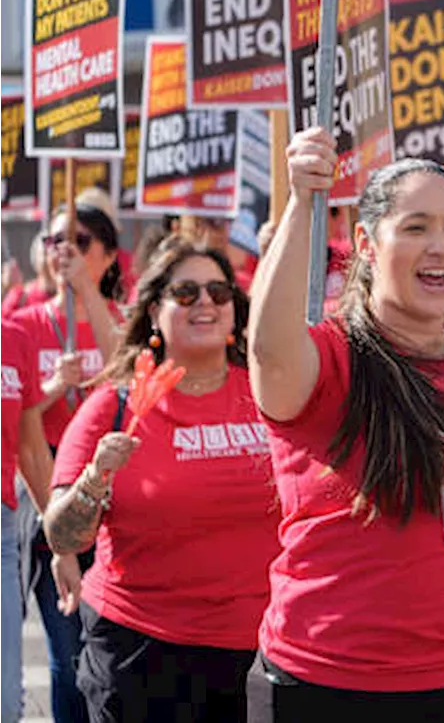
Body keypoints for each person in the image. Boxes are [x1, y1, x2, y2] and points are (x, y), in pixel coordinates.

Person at [246, 129, 444, 721]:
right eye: (416, 227)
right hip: (336, 688)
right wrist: (301, 202)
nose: (440, 246)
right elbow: (268, 350)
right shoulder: (329, 363)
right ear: (365, 242)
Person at [41, 239, 279, 722]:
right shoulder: (116, 406)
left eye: (218, 291)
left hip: (259, 651)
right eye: (187, 293)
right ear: (154, 311)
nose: (207, 303)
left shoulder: (271, 394)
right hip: (142, 656)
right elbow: (61, 532)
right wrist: (96, 478)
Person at [11, 204, 123, 723]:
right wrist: (52, 388)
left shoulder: (122, 318)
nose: (64, 251)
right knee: (67, 651)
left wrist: (90, 298)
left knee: (108, 654)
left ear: (105, 254)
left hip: (113, 494)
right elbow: (17, 421)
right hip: (46, 488)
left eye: (78, 240)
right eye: (55, 240)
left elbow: (130, 381)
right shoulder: (24, 325)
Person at [0, 320, 55, 723]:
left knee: (5, 703)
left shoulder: (14, 338)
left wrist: (62, 538)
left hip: (2, 532)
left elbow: (32, 449)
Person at [0, 234, 56, 317]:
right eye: (44, 253)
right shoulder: (20, 297)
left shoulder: (75, 300)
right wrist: (6, 289)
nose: (49, 259)